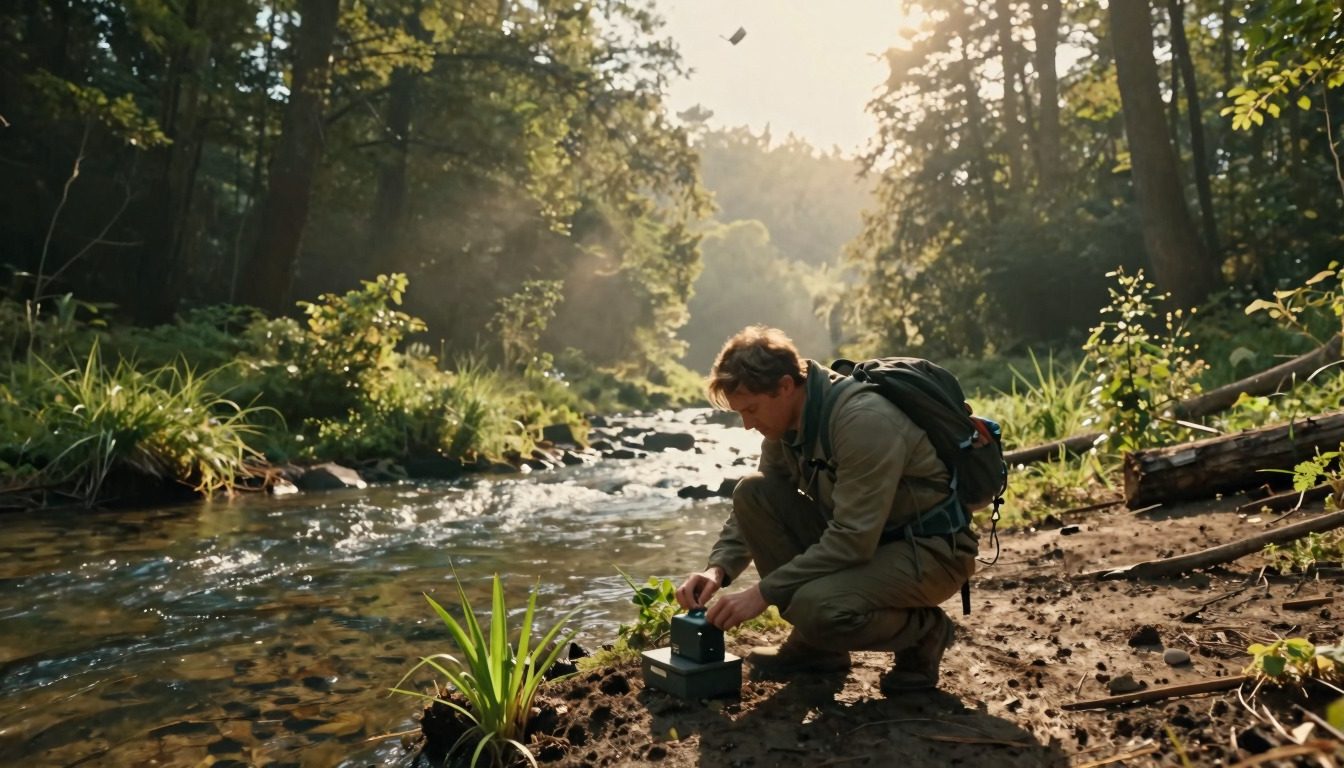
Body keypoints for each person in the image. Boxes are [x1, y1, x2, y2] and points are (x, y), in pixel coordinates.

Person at [675, 325, 979, 693]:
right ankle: (818, 649)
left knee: (816, 607)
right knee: (753, 492)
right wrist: (718, 569)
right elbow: (760, 501)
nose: (747, 424)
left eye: (751, 409)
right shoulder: (786, 423)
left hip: (931, 551)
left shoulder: (864, 421)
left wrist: (762, 593)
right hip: (870, 541)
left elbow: (851, 541)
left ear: (785, 386)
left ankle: (924, 633)